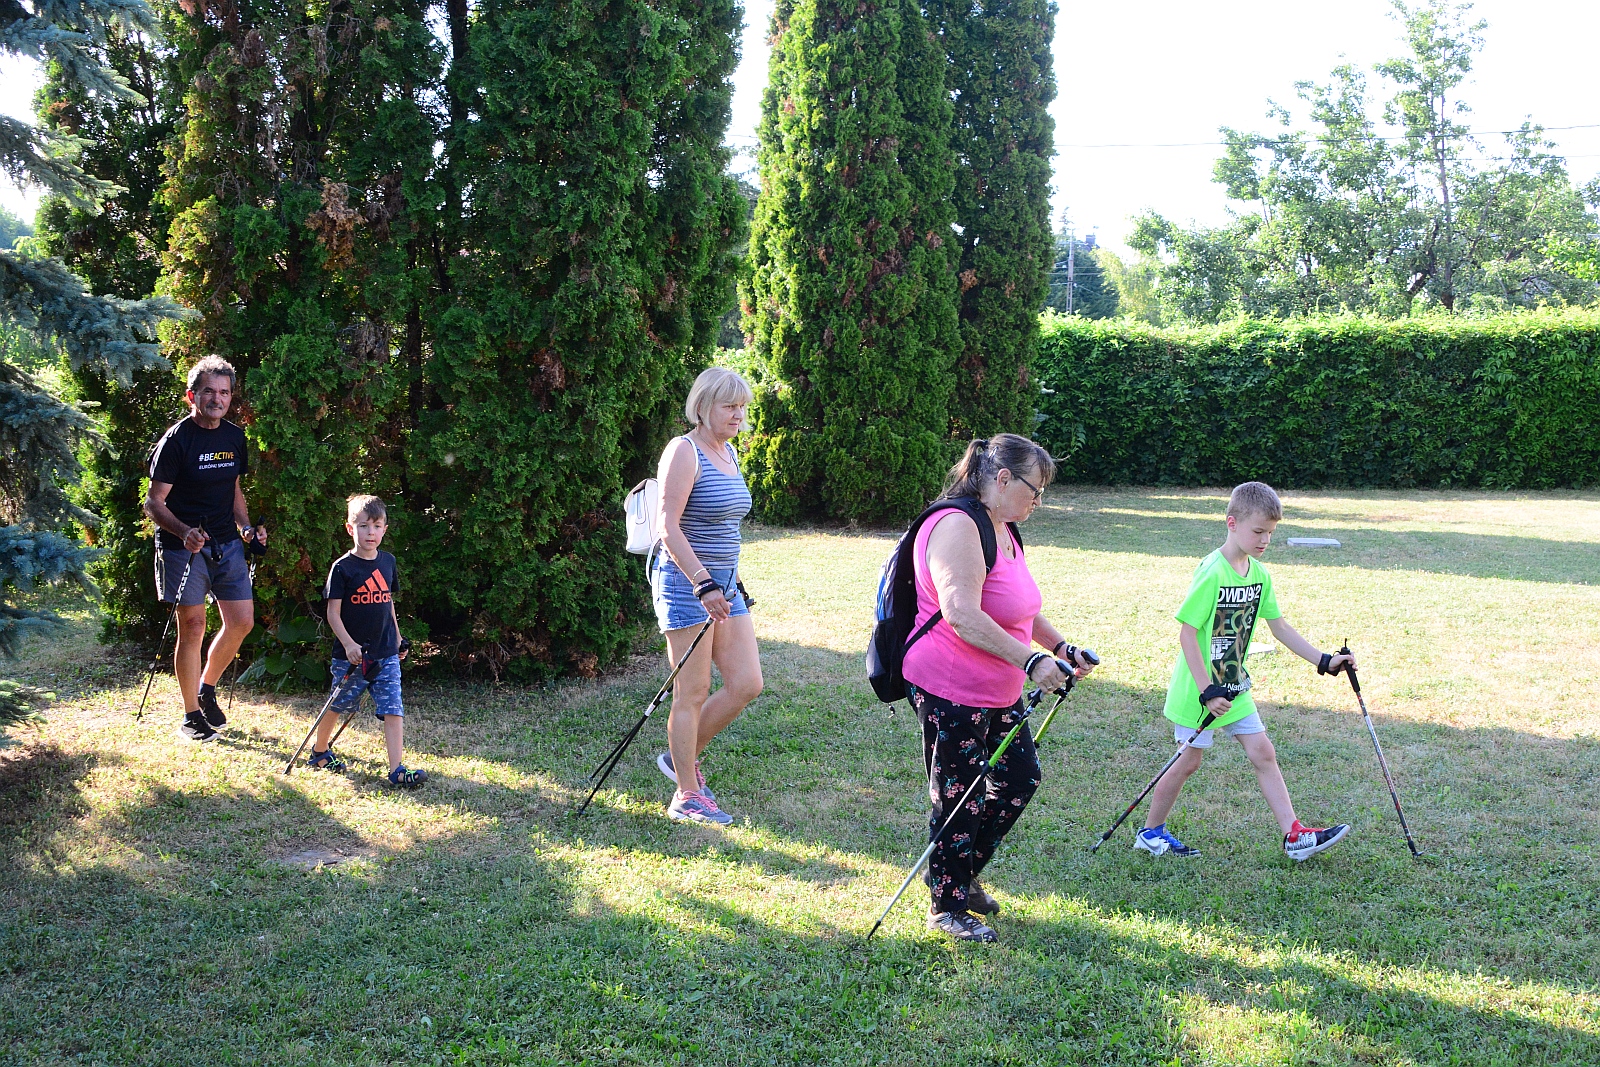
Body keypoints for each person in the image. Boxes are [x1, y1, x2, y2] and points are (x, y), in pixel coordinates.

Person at [902, 434, 1098, 943]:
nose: (1039, 501)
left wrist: (1060, 646)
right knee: (958, 796)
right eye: (1035, 490)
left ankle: (958, 874)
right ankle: (946, 906)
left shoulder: (1003, 528)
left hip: (998, 687)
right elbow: (962, 613)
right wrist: (1032, 660)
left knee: (1019, 780)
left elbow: (1017, 606)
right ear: (1003, 478)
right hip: (950, 686)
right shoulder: (956, 525)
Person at [1138, 481, 1353, 862]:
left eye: (1271, 532)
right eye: (1258, 531)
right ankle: (1151, 833)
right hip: (1199, 691)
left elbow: (1279, 626)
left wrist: (1323, 661)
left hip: (1235, 686)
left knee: (1263, 752)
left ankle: (1293, 835)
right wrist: (1207, 689)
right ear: (1232, 522)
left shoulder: (1259, 575)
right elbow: (1187, 634)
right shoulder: (1212, 571)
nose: (1265, 539)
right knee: (1188, 761)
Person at [649, 367, 763, 825]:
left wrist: (724, 582)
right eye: (729, 406)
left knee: (746, 684)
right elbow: (667, 526)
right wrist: (702, 582)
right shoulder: (684, 451)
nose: (738, 414)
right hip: (686, 583)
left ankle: (681, 755)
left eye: (742, 407)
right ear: (703, 407)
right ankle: (686, 794)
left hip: (726, 587)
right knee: (692, 692)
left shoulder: (728, 451)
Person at [144, 356, 267, 742]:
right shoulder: (176, 441)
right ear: (191, 396)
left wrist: (246, 528)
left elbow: (232, 488)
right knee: (194, 626)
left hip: (226, 543)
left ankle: (206, 686)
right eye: (209, 392)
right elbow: (154, 503)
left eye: (224, 392)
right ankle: (191, 715)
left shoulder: (234, 437)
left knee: (242, 621)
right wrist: (183, 533)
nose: (217, 399)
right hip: (183, 548)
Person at [309, 495, 424, 786]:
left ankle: (397, 769)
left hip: (385, 652)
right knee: (339, 704)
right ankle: (320, 751)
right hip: (352, 656)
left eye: (376, 526)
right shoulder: (343, 568)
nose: (370, 532)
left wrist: (398, 638)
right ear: (350, 529)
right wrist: (348, 645)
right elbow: (333, 614)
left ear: (385, 529)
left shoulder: (388, 562)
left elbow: (388, 604)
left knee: (393, 707)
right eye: (363, 526)